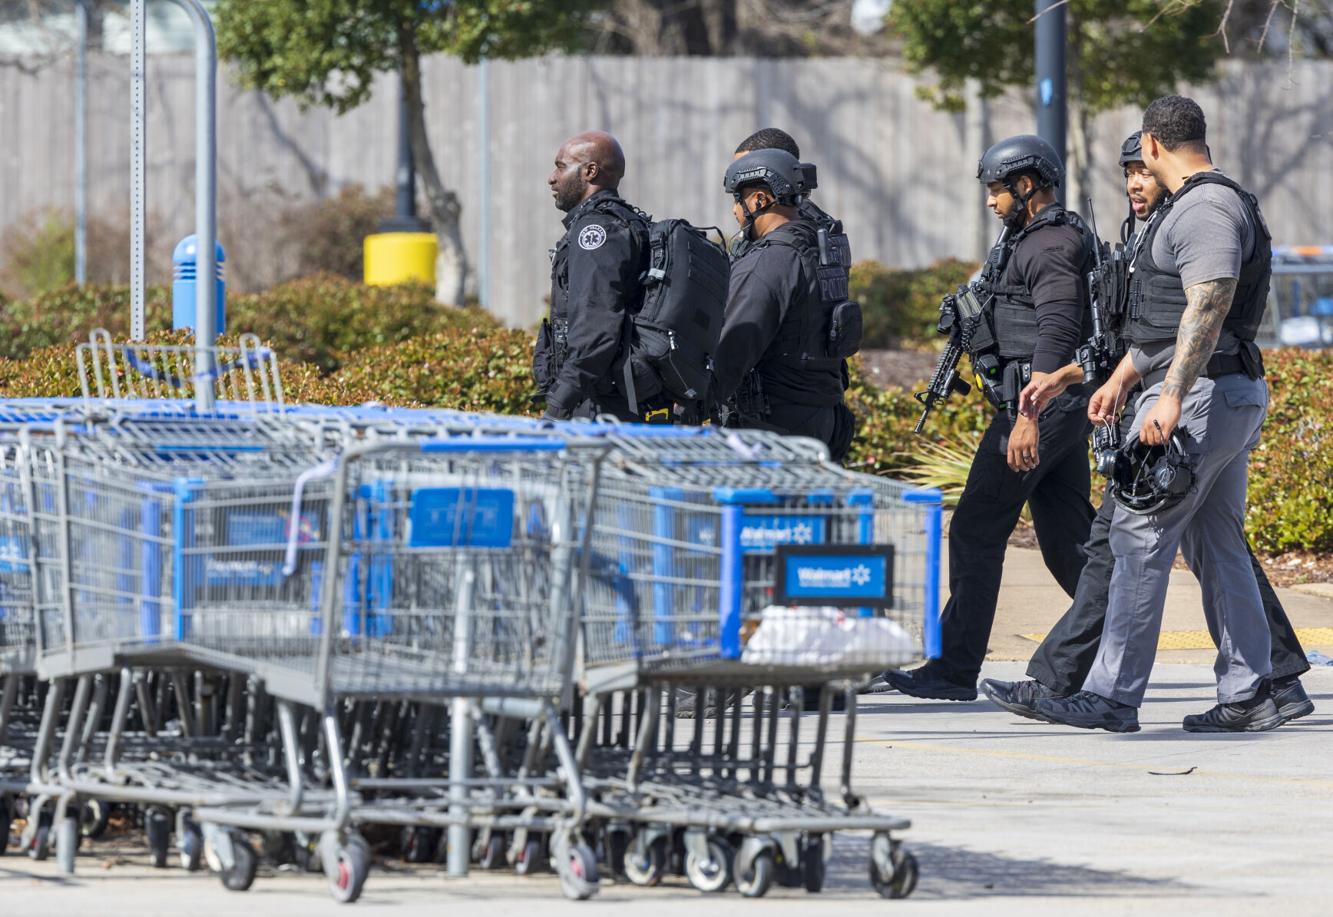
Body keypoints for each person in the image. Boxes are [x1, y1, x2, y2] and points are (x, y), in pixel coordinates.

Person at [981, 131, 1313, 725]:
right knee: (1216, 545)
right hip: (1205, 391)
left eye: (1143, 166)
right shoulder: (1167, 222)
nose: (1137, 179)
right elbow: (1154, 333)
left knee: (1136, 542)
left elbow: (1206, 310)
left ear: (1160, 148)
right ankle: (1254, 692)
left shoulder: (1202, 208)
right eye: (1127, 171)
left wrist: (1172, 396)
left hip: (1193, 398)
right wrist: (1101, 379)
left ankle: (1112, 696)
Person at [874, 135, 1096, 701]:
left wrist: (1028, 416)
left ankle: (952, 670)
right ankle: (1115, 642)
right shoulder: (1027, 239)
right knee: (1070, 541)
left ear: (1026, 185)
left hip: (1039, 407)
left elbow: (1058, 332)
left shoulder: (1050, 245)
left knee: (976, 527)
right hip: (1049, 406)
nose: (991, 201)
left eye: (998, 190)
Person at [711, 148, 856, 460]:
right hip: (824, 419)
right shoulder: (821, 250)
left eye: (737, 199)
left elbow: (733, 349)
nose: (735, 211)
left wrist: (696, 404)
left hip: (774, 429)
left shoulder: (769, 260)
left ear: (759, 200)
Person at [533, 130, 673, 422]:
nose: (552, 178)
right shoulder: (627, 222)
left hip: (601, 406)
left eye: (561, 167)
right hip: (617, 401)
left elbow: (595, 329)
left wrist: (558, 406)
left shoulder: (597, 231)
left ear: (590, 171)